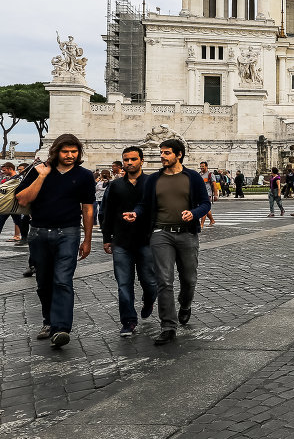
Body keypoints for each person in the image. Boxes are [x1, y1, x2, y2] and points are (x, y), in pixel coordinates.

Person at [126, 138, 211, 346]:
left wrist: (194, 213)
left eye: (166, 153)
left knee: (189, 279)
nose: (162, 156)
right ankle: (168, 326)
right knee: (164, 280)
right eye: (161, 152)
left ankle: (185, 304)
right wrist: (136, 213)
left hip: (187, 234)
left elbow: (205, 203)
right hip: (160, 233)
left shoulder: (192, 177)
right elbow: (144, 204)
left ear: (179, 154)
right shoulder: (154, 179)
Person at [15, 133, 95, 349]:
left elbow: (87, 209)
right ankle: (48, 321)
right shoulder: (38, 171)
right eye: (65, 151)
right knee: (43, 283)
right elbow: (22, 199)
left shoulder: (85, 175)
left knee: (62, 280)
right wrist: (41, 177)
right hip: (38, 232)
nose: (70, 155)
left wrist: (87, 239)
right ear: (56, 152)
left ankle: (61, 327)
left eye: (74, 151)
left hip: (68, 233)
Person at [100, 146, 158, 337]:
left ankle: (149, 300)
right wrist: (107, 238)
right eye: (126, 160)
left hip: (146, 240)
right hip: (121, 241)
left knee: (149, 281)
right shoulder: (115, 185)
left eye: (133, 159)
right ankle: (128, 321)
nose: (130, 163)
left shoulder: (151, 182)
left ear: (142, 161)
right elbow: (105, 213)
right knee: (123, 283)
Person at [197, 161, 216, 227]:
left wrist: (216, 195)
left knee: (203, 208)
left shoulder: (210, 174)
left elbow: (214, 185)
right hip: (200, 194)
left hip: (207, 194)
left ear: (206, 166)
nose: (201, 168)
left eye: (203, 166)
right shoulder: (199, 174)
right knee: (206, 209)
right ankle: (212, 220)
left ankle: (201, 224)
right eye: (200, 166)